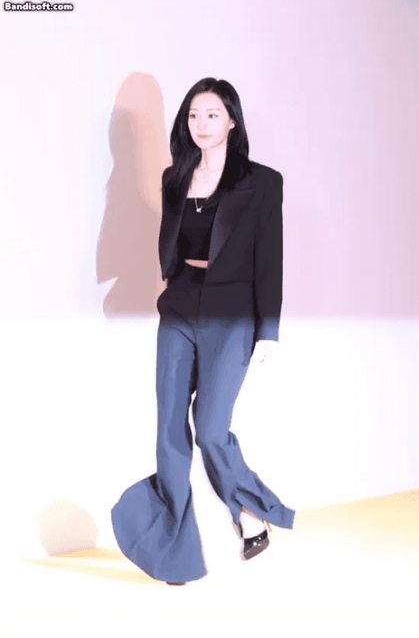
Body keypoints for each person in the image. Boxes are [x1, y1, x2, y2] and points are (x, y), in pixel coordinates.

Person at [111, 77, 295, 585]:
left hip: (231, 313)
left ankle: (251, 510)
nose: (202, 124)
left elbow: (270, 261)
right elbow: (171, 242)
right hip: (179, 307)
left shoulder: (263, 183)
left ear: (232, 120)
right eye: (194, 114)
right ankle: (174, 554)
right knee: (169, 430)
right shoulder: (176, 177)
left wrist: (268, 330)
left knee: (211, 430)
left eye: (213, 114)